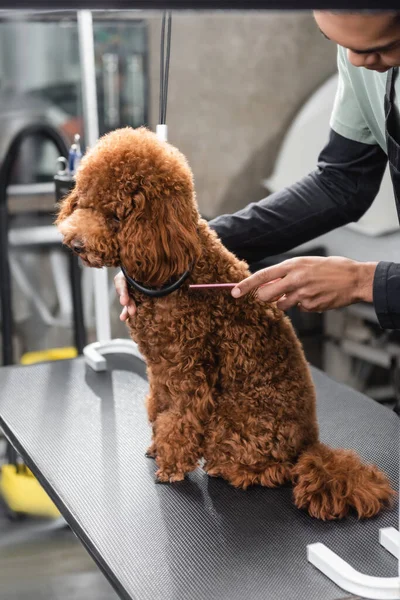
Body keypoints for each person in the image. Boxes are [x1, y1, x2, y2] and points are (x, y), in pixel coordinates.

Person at [115, 10, 400, 330]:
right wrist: (184, 248)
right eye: (338, 43)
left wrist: (364, 281)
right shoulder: (358, 56)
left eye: (382, 48)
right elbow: (342, 183)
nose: (357, 61)